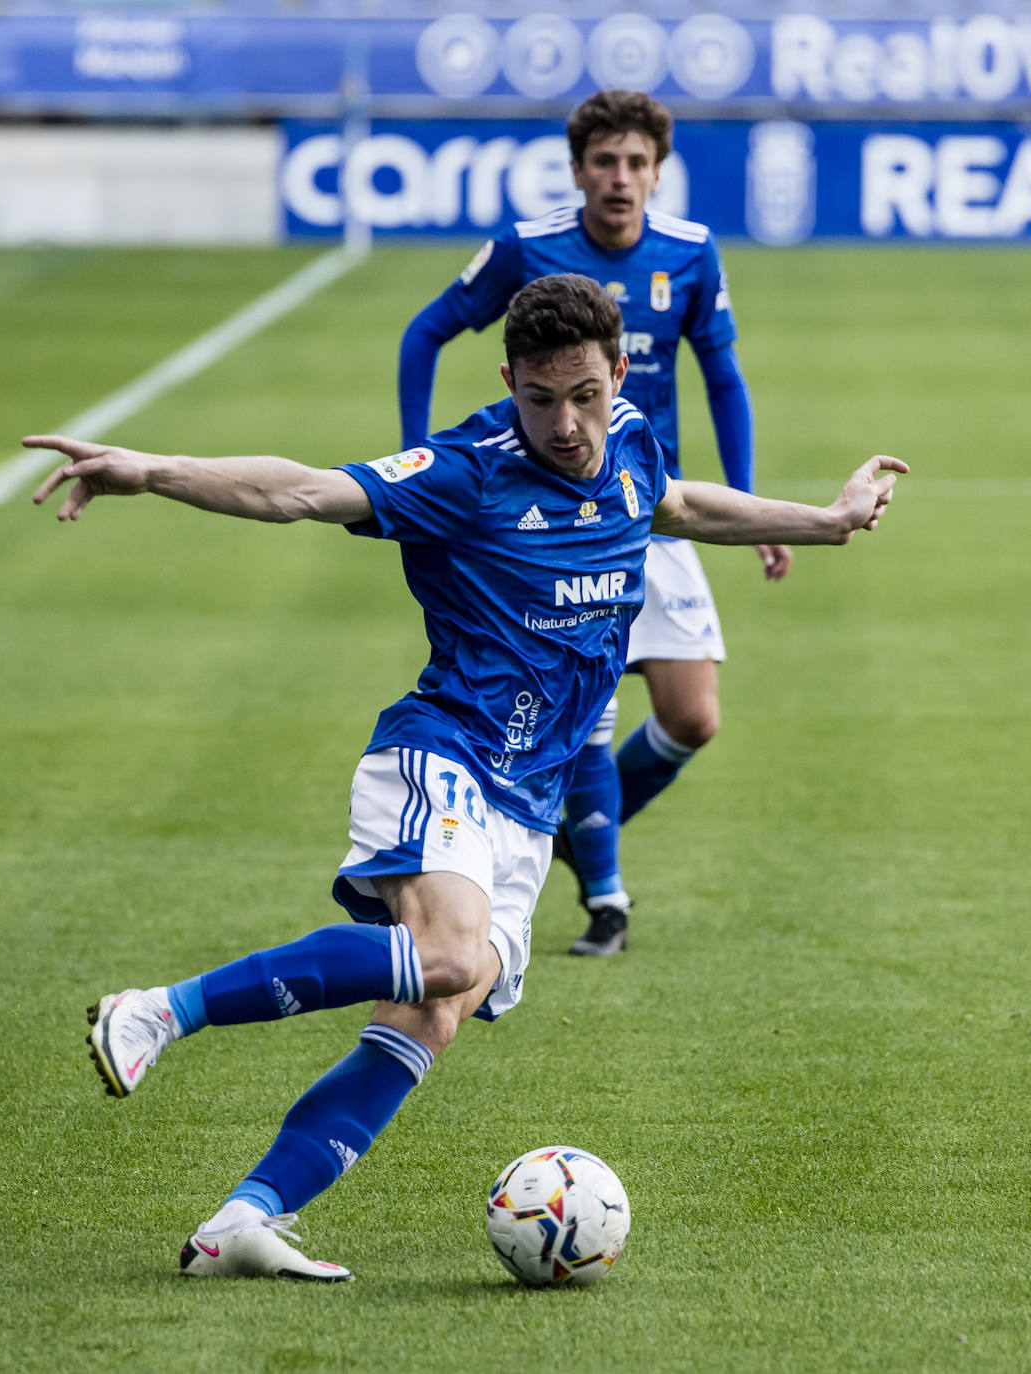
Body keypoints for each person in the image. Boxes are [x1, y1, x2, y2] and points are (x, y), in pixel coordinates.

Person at [29, 274, 905, 1281]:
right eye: (541, 399)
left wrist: (825, 520)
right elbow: (299, 490)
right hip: (442, 754)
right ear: (509, 381)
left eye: (585, 394)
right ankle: (157, 1010)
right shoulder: (464, 471)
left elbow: (677, 504)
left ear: (620, 374)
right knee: (442, 959)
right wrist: (151, 469)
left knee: (430, 1014)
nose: (567, 424)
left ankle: (242, 1219)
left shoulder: (628, 445)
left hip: (527, 812)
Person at [400, 89, 786, 957]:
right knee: (588, 715)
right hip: (550, 519)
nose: (620, 178)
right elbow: (424, 333)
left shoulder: (689, 253)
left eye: (636, 163)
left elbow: (723, 378)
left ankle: (577, 831)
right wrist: (415, 457)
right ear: (577, 170)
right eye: (603, 162)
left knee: (692, 718)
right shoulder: (527, 248)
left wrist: (752, 499)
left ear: (658, 171)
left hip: (655, 509)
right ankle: (605, 898)